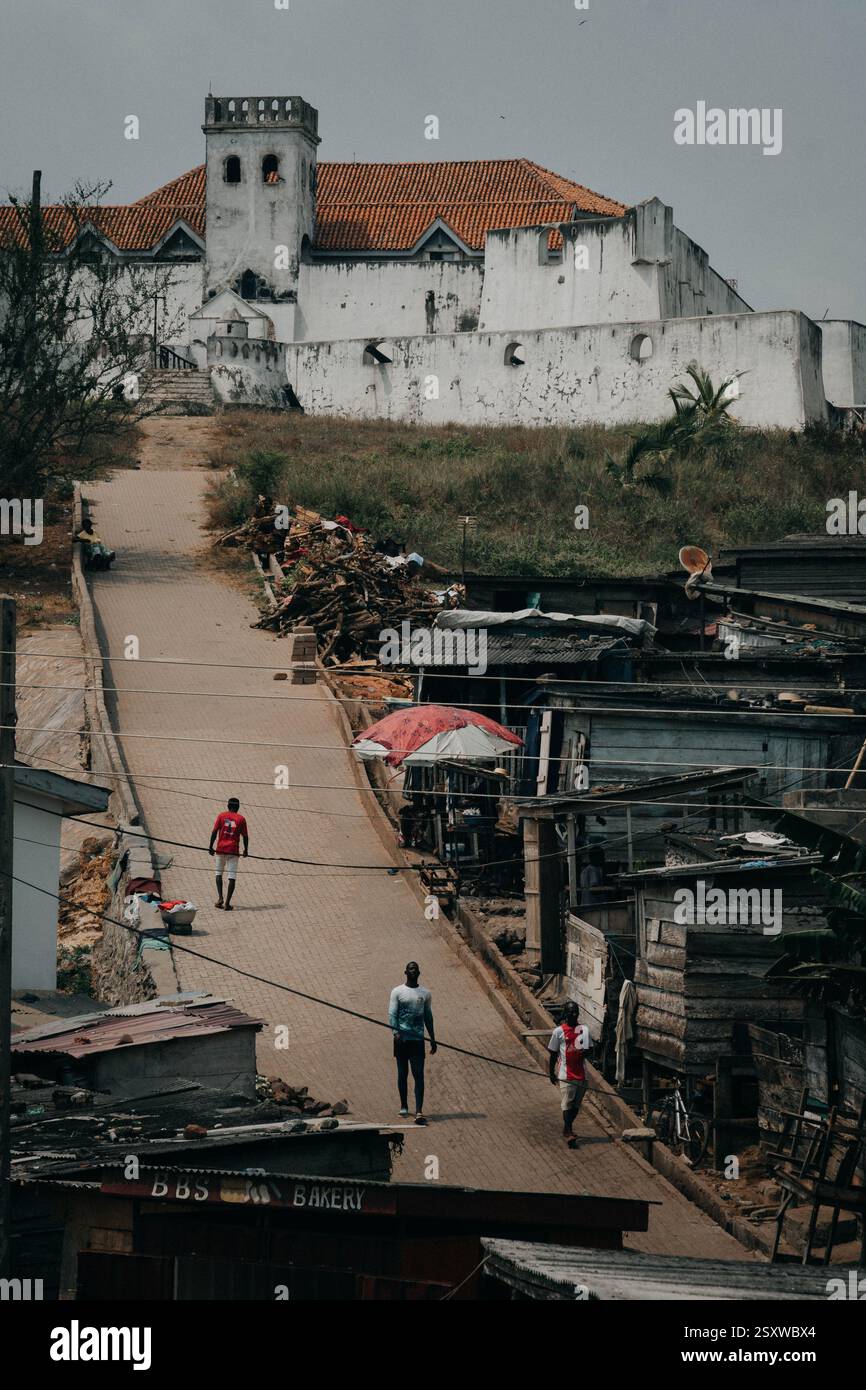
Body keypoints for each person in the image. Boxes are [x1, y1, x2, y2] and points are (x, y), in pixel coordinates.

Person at [388, 961, 436, 1125]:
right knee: (402, 1074)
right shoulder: (397, 992)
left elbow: (428, 1017)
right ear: (405, 972)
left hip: (417, 1041)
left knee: (419, 1075)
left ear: (419, 973)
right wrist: (395, 1033)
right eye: (410, 969)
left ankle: (419, 1110)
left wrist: (433, 1039)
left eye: (415, 969)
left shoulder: (425, 993)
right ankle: (403, 1105)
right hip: (401, 1040)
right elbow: (392, 1014)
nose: (413, 971)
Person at [548, 1002, 589, 1148]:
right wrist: (551, 1072)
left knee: (576, 1105)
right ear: (566, 1014)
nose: (574, 1015)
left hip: (581, 1074)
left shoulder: (583, 1030)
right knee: (567, 1104)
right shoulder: (558, 1032)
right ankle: (570, 1132)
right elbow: (553, 1054)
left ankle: (567, 1128)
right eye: (571, 1012)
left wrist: (587, 1051)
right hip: (566, 1074)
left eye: (576, 1012)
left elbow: (586, 1050)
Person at [208, 797, 249, 911]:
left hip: (220, 849)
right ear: (238, 807)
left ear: (228, 806)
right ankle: (227, 903)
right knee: (232, 877)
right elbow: (245, 836)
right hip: (233, 851)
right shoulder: (241, 819)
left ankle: (220, 898)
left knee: (218, 874)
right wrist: (246, 850)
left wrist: (210, 846)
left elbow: (214, 832)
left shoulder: (221, 816)